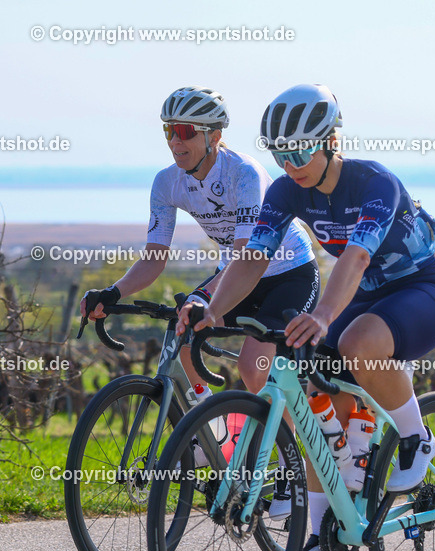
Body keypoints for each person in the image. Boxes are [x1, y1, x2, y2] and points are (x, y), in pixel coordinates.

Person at [178, 84, 435, 551]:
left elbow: (357, 257)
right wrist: (213, 310)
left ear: (331, 141)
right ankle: (321, 533)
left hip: (421, 289)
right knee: (314, 399)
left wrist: (325, 315)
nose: (290, 165)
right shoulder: (286, 191)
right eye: (280, 153)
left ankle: (417, 438)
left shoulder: (375, 183)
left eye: (301, 151)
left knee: (354, 343)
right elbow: (253, 258)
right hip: (364, 297)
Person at [81, 87, 319, 484]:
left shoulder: (244, 173)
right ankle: (213, 432)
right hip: (237, 272)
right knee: (184, 333)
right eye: (169, 131)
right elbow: (154, 257)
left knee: (254, 367)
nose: (176, 141)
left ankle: (289, 468)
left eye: (186, 131)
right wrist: (113, 292)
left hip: (287, 272)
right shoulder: (167, 183)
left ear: (215, 135)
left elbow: (247, 255)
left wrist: (203, 298)